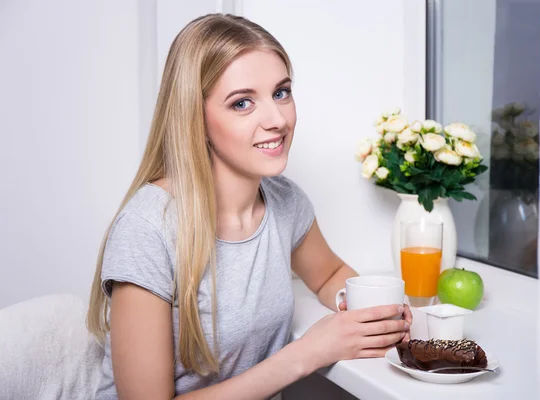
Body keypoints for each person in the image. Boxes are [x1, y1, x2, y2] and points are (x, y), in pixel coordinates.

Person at [87, 13, 412, 400]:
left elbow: (328, 276)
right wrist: (307, 353)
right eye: (242, 103)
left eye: (281, 92)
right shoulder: (147, 229)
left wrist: (367, 311)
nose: (276, 119)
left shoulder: (285, 201)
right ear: (195, 118)